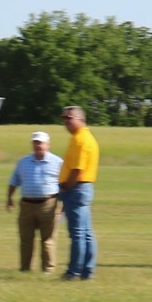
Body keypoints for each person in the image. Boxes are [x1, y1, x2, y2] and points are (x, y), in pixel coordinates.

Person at [4, 130, 63, 273]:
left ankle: (48, 269)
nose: (38, 146)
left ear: (48, 145)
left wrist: (64, 205)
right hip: (26, 205)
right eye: (35, 143)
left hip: (48, 204)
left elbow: (64, 184)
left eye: (41, 143)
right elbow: (14, 181)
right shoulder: (23, 162)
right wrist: (9, 198)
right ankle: (25, 268)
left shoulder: (57, 162)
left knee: (48, 239)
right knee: (25, 240)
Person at [58, 105, 99, 280]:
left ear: (80, 119)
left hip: (76, 188)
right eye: (64, 119)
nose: (66, 122)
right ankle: (87, 270)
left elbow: (77, 169)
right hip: (83, 187)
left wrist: (66, 186)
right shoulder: (85, 137)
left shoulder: (80, 140)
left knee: (77, 233)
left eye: (69, 118)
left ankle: (74, 271)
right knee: (86, 232)